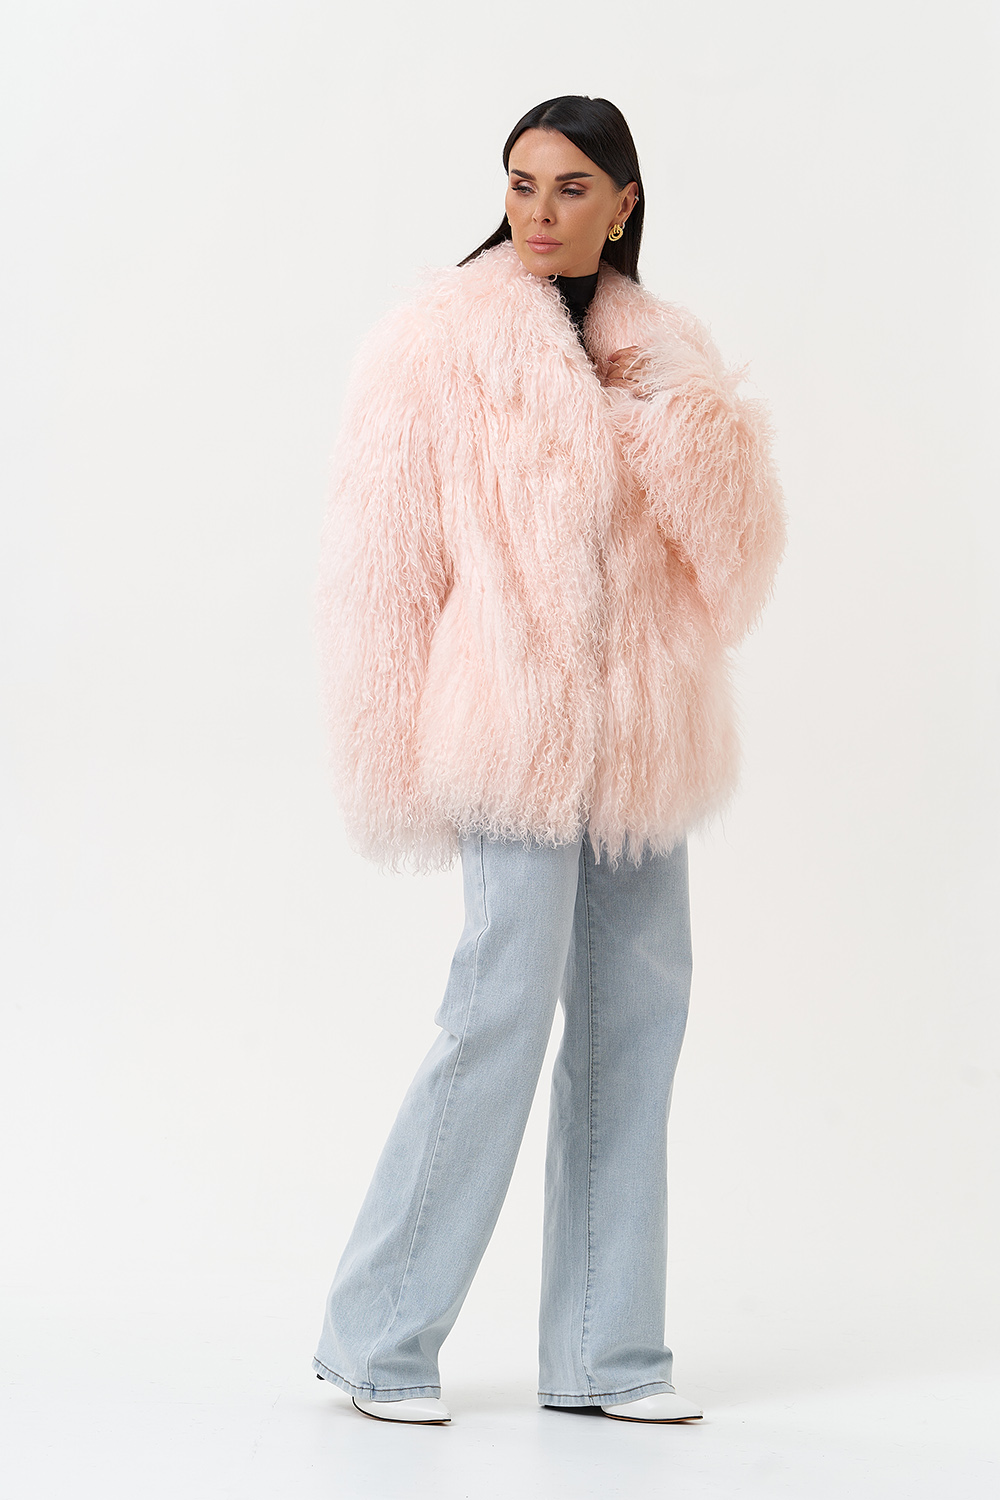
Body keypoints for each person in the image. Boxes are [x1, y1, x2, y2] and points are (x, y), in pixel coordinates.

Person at [312, 95, 786, 1426]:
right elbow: (384, 571)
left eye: (572, 186)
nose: (538, 209)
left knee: (640, 1027)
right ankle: (377, 1340)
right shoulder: (437, 341)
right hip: (509, 734)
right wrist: (394, 761)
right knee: (497, 1017)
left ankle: (608, 1353)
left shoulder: (667, 349)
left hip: (644, 743)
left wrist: (681, 416)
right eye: (521, 183)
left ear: (624, 202)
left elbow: (739, 569)